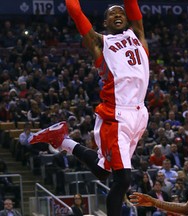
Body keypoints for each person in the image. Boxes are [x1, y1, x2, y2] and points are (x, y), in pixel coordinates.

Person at [28, 0, 149, 215]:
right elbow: (75, 11)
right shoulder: (99, 42)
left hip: (140, 114)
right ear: (105, 22)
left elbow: (132, 5)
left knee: (103, 172)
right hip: (116, 114)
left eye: (121, 12)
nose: (118, 15)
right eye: (112, 14)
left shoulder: (137, 34)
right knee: (123, 178)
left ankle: (62, 140)